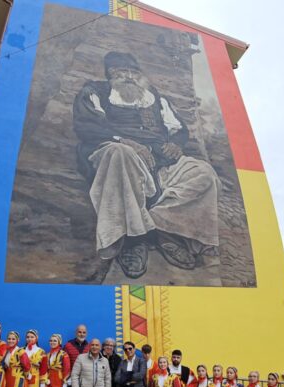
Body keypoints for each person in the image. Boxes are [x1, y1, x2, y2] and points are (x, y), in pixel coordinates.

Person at [73, 51, 221, 278]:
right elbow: (88, 127)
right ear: (111, 74)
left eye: (134, 72)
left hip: (159, 160)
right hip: (114, 153)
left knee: (203, 173)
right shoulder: (95, 92)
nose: (130, 77)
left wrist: (175, 145)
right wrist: (125, 141)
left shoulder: (155, 98)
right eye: (123, 72)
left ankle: (162, 229)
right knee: (120, 154)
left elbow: (178, 129)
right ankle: (134, 240)